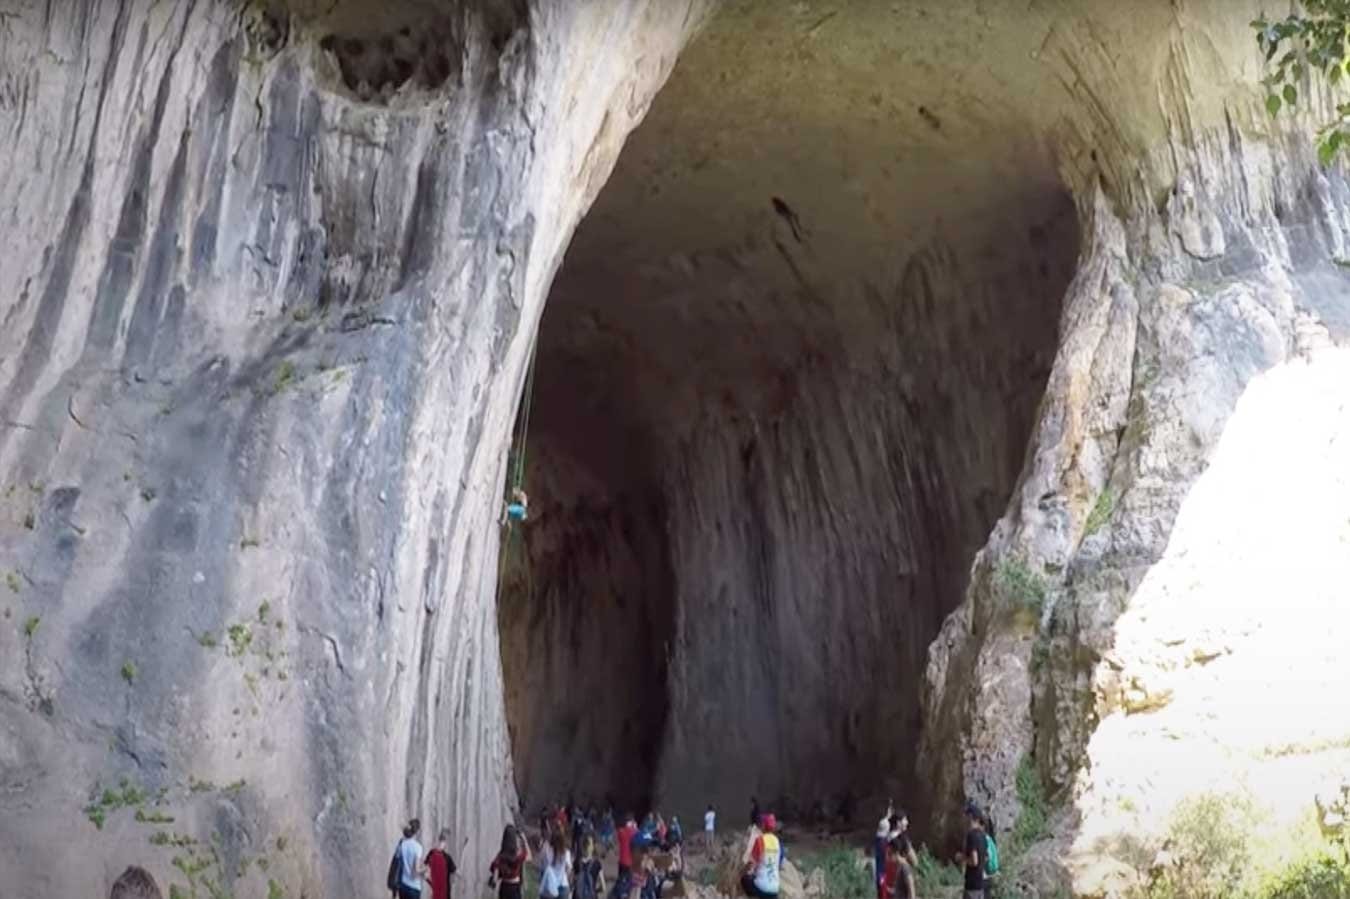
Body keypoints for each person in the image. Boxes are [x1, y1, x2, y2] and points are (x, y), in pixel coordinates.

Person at [741, 813, 783, 898]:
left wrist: (746, 871)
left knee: (744, 879)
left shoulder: (760, 840)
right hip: (775, 890)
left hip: (762, 888)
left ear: (763, 826)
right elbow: (779, 864)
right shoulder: (778, 842)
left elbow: (751, 863)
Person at [489, 825, 531, 899]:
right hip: (514, 888)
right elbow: (529, 857)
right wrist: (524, 840)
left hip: (504, 887)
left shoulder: (500, 855)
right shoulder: (517, 857)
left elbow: (495, 868)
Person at [958, 805, 988, 899]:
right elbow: (986, 857)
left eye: (966, 816)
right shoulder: (983, 836)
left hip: (972, 885)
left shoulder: (972, 835)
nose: (964, 819)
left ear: (970, 817)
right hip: (980, 884)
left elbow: (974, 861)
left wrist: (961, 857)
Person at [397, 819, 428, 899]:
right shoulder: (417, 847)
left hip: (402, 885)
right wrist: (425, 868)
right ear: (417, 831)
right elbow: (416, 870)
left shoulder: (401, 844)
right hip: (413, 887)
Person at [611, 813, 638, 899]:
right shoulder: (634, 832)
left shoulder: (621, 831)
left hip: (622, 860)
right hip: (631, 862)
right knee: (629, 884)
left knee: (620, 881)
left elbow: (616, 838)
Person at [426, 829, 458, 899]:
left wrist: (432, 884)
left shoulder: (431, 853)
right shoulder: (447, 858)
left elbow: (425, 874)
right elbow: (457, 874)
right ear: (446, 842)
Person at [540, 829, 572, 899]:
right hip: (563, 885)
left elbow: (542, 863)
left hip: (549, 886)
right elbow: (568, 870)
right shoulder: (566, 852)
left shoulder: (547, 851)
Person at [575, 835, 607, 899]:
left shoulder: (576, 863)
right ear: (592, 848)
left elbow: (573, 884)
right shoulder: (597, 864)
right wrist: (595, 891)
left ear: (582, 847)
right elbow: (603, 887)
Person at [874, 803, 894, 888]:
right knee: (882, 863)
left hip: (878, 840)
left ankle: (880, 881)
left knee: (879, 862)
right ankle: (882, 882)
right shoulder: (886, 823)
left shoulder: (882, 821)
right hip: (882, 841)